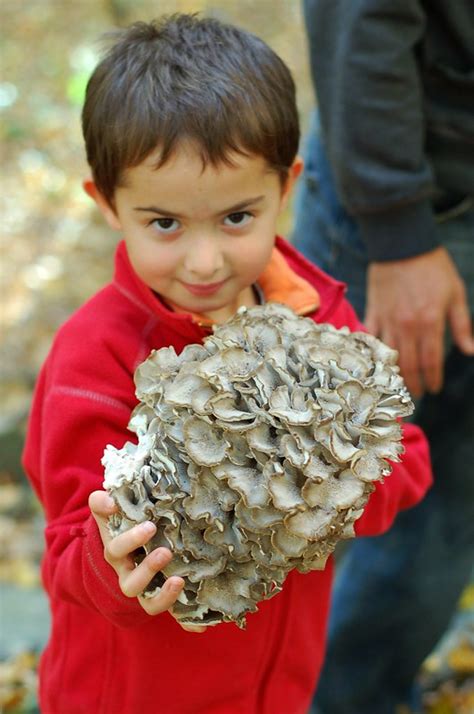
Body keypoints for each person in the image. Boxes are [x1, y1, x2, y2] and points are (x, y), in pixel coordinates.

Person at [22, 14, 432, 714]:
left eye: (238, 217)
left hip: (275, 687)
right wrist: (111, 562)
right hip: (129, 696)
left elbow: (410, 460)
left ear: (287, 188)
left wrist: (323, 487)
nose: (205, 260)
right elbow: (65, 555)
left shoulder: (313, 313)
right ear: (107, 204)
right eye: (166, 224)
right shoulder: (93, 355)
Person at [292, 2, 474, 713]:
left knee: (447, 499)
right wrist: (398, 235)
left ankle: (349, 699)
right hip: (405, 206)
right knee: (299, 485)